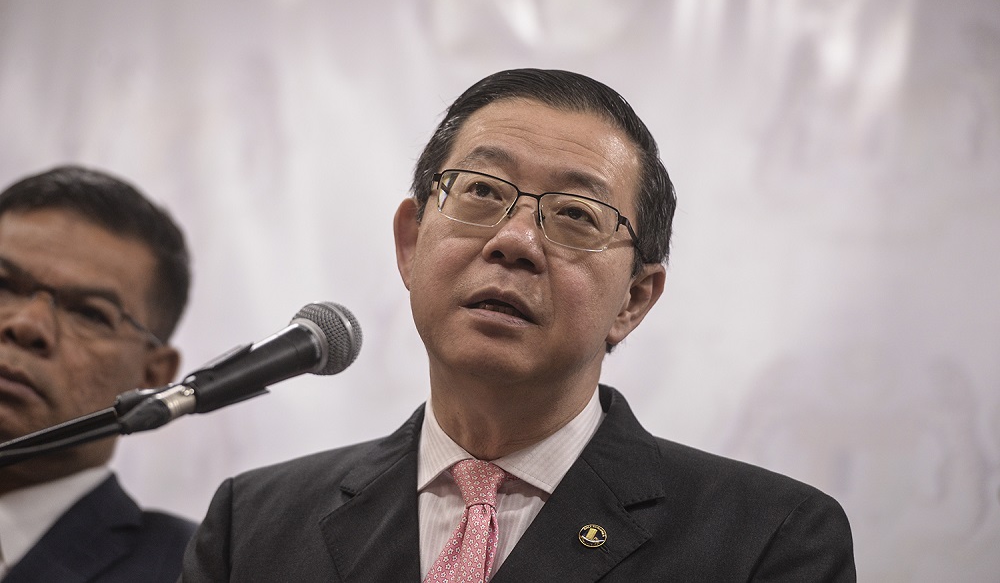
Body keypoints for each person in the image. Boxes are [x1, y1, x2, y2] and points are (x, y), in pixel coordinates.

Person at [182, 69, 855, 581]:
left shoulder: (767, 538)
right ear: (411, 243)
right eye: (480, 192)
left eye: (575, 216)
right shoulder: (256, 526)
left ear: (635, 298)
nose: (516, 241)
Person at [0, 165, 195, 582]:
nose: (27, 325)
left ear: (153, 374)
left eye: (89, 313)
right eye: (3, 285)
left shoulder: (197, 570)